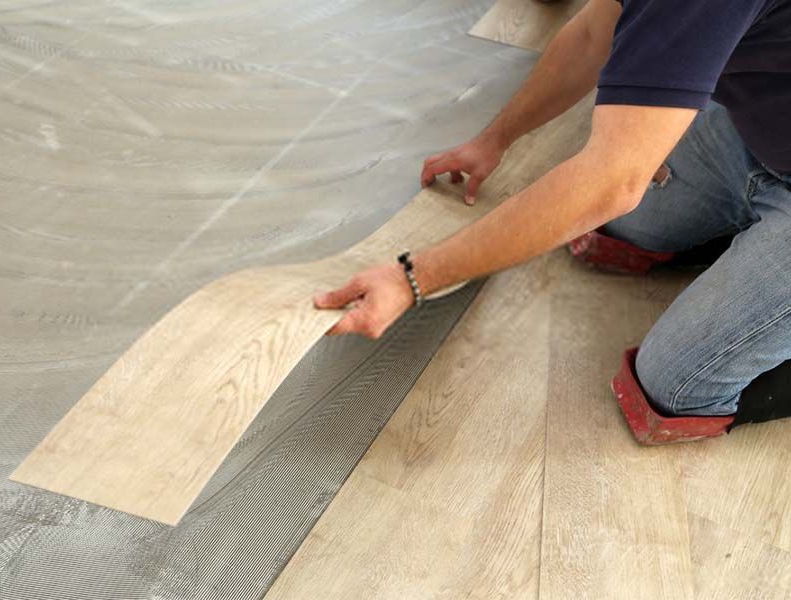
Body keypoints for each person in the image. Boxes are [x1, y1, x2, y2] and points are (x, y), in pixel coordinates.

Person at [314, 0, 791, 440]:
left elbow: (611, 183)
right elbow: (590, 36)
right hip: (754, 132)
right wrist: (495, 139)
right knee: (621, 232)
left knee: (677, 386)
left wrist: (412, 278)